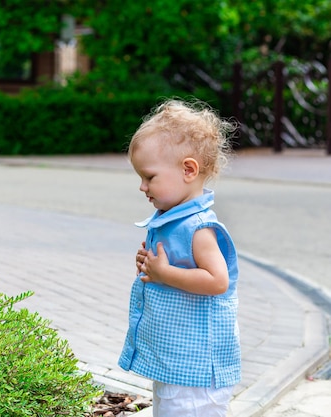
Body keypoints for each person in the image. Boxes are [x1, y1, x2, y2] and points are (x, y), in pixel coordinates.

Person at [118, 99, 240, 417]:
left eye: (150, 177)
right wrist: (151, 265)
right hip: (177, 362)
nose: (142, 186)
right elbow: (170, 268)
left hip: (196, 371)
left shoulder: (198, 227)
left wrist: (165, 273)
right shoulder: (172, 219)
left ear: (188, 170)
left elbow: (217, 281)